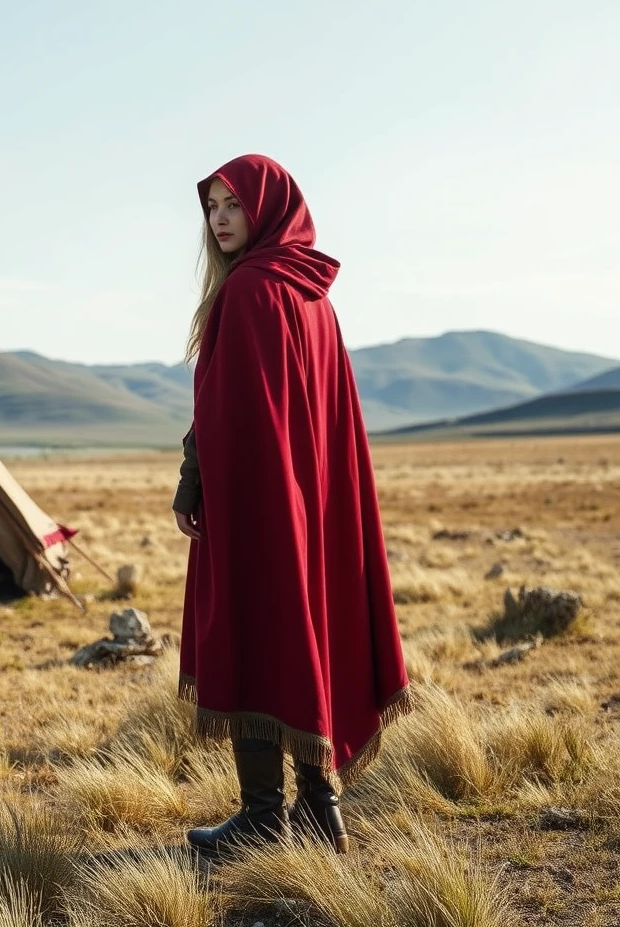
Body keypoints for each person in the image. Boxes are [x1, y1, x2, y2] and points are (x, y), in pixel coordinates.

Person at [174, 154, 413, 857]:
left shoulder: (251, 290)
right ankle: (321, 810)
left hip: (258, 500)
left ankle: (261, 815)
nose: (219, 218)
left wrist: (193, 481)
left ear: (268, 209)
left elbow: (225, 411)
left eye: (232, 205)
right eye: (211, 206)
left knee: (252, 630)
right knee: (301, 631)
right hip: (308, 503)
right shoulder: (313, 295)